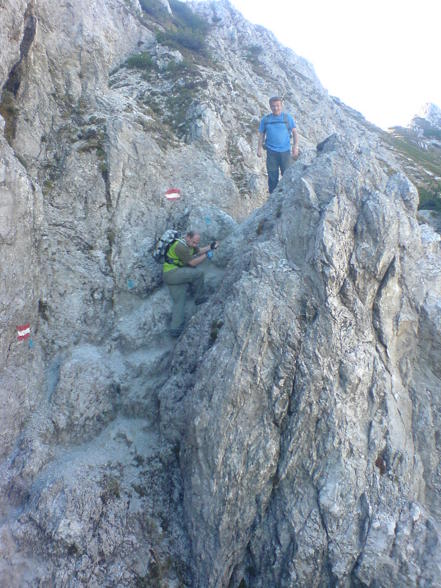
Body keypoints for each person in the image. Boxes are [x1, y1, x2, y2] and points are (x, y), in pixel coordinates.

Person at [163, 230, 218, 337]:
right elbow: (192, 263)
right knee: (198, 273)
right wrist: (206, 255)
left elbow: (199, 250)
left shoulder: (187, 244)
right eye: (194, 242)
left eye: (196, 242)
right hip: (172, 273)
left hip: (170, 274)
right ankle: (199, 297)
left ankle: (175, 329)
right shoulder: (180, 247)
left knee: (179, 300)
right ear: (187, 237)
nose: (195, 245)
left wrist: (211, 246)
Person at [257, 96, 299, 193]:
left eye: (277, 105)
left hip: (285, 152)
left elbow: (295, 133)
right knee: (272, 178)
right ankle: (272, 199)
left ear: (281, 105)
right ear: (270, 106)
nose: (275, 108)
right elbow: (261, 135)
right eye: (273, 106)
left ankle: (287, 197)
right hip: (271, 152)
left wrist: (295, 147)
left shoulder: (287, 118)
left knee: (287, 176)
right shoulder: (265, 120)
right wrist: (259, 148)